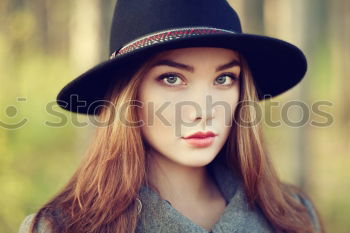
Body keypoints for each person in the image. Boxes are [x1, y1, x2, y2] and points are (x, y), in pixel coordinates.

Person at [18, 0, 325, 232]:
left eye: (224, 79)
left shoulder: (292, 215)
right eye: (172, 79)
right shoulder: (60, 228)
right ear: (130, 96)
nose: (204, 110)